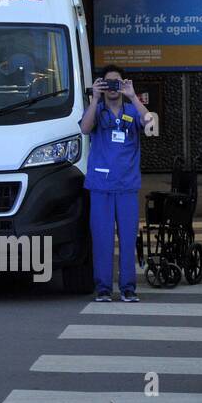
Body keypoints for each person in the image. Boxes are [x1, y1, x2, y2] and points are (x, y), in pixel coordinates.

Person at [79, 65, 153, 303]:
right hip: (101, 185)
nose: (113, 87)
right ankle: (103, 287)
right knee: (102, 239)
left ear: (124, 84)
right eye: (108, 83)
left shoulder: (132, 110)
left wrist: (132, 95)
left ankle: (128, 287)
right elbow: (84, 128)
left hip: (127, 185)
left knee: (128, 238)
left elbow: (150, 123)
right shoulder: (97, 111)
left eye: (117, 83)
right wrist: (94, 99)